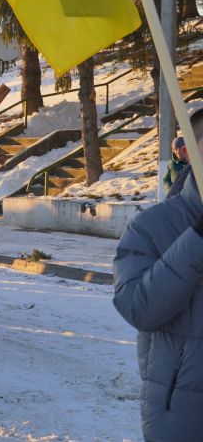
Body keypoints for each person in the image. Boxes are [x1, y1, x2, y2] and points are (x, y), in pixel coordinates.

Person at [112, 108, 203, 439]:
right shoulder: (151, 226)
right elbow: (139, 308)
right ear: (190, 153)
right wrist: (197, 238)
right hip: (184, 412)